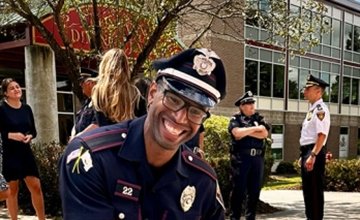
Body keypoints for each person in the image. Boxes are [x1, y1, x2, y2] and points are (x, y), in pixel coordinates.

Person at [59, 48, 227, 219]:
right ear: (152, 93)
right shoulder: (90, 157)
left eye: (196, 111)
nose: (181, 117)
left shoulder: (203, 181)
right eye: (173, 99)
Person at [0, 78, 45, 220]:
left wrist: (30, 136)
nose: (16, 89)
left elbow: (33, 131)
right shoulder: (1, 109)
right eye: (12, 88)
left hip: (25, 152)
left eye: (18, 87)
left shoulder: (26, 108)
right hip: (9, 153)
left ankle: (41, 218)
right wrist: (11, 135)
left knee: (36, 186)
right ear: (6, 93)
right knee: (12, 190)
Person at [76, 48, 141, 136]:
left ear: (104, 66)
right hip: (129, 142)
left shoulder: (99, 92)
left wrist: (76, 139)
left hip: (105, 143)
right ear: (126, 67)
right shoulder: (135, 94)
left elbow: (98, 124)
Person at [228, 91, 270, 220]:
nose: (252, 106)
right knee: (238, 190)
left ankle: (250, 217)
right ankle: (234, 217)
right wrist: (255, 129)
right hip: (241, 158)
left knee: (254, 191)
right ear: (242, 106)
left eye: (253, 103)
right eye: (249, 104)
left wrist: (246, 131)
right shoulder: (236, 119)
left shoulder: (259, 118)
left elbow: (264, 134)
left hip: (257, 159)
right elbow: (237, 133)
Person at [299, 74, 330, 220]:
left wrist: (312, 155)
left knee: (314, 192)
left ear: (318, 91)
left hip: (314, 152)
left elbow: (321, 135)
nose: (304, 91)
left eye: (308, 88)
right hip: (308, 151)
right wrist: (304, 155)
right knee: (308, 192)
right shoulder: (312, 110)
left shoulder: (320, 109)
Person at [69, 67, 98, 140]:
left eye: (82, 82)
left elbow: (97, 124)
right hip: (80, 142)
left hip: (90, 143)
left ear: (91, 83)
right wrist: (73, 136)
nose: (80, 85)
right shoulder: (86, 103)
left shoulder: (99, 103)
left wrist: (78, 138)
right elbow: (77, 122)